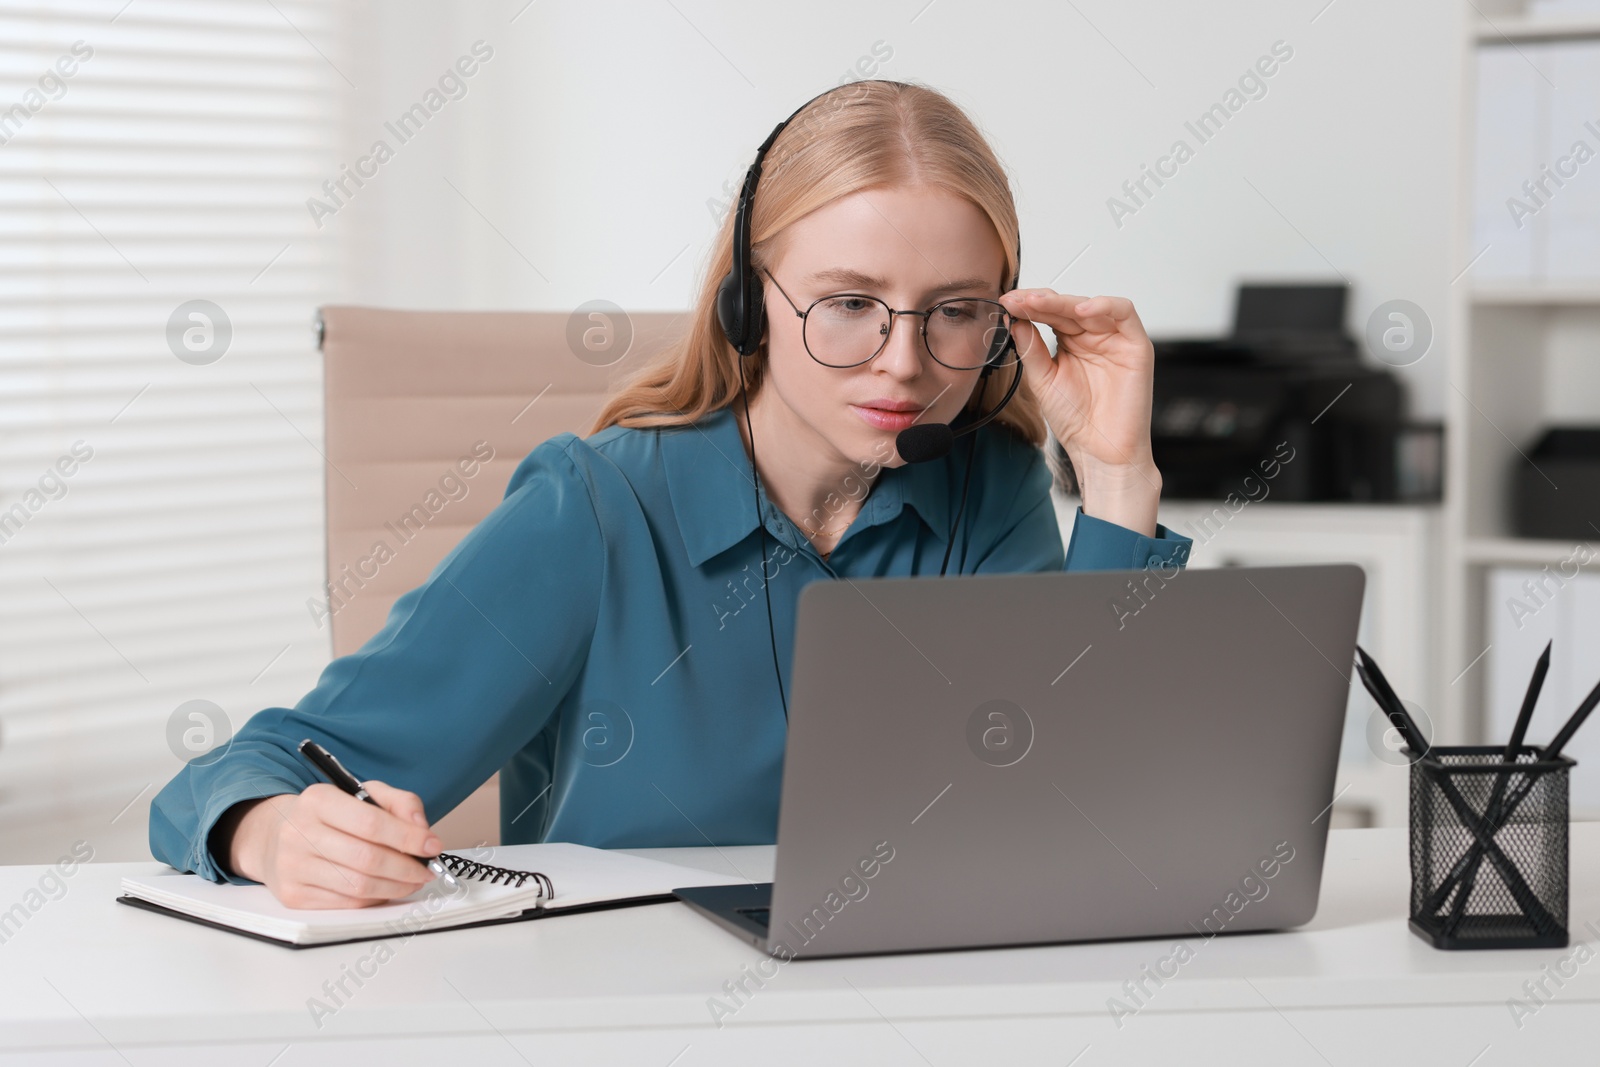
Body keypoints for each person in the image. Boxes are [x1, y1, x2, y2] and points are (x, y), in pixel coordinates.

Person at [148, 79, 1192, 908]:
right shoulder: (592, 513)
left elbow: (1077, 815)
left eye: (953, 311)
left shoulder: (985, 485)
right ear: (750, 302)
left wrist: (1114, 475)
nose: (905, 363)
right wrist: (275, 832)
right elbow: (257, 765)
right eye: (848, 304)